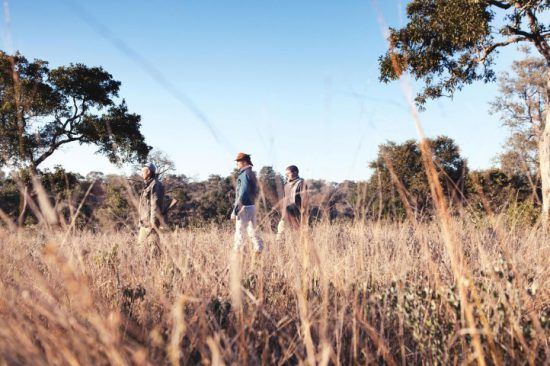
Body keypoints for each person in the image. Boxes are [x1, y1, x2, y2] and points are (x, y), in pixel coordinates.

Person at [231, 152, 264, 253]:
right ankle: (259, 252)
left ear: (244, 162)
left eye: (238, 162)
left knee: (240, 234)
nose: (237, 165)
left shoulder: (244, 174)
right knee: (253, 233)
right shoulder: (251, 173)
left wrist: (235, 211)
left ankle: (238, 257)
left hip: (244, 207)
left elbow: (243, 193)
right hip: (252, 206)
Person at [137, 163, 165, 254]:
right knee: (142, 251)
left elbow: (155, 206)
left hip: (150, 225)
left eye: (142, 171)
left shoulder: (155, 185)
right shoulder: (149, 185)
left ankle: (156, 267)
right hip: (144, 224)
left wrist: (153, 225)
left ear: (148, 172)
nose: (141, 173)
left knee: (153, 251)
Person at [277, 165, 307, 239]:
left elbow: (305, 200)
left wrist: (303, 214)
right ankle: (280, 247)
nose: (287, 176)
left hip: (297, 214)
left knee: (297, 235)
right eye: (286, 175)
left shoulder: (301, 183)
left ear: (295, 172)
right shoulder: (286, 184)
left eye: (288, 174)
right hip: (286, 213)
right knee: (280, 231)